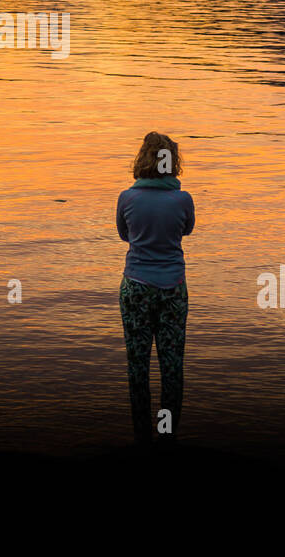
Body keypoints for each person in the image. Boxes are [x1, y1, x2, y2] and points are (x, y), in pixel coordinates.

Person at [116, 132, 195, 445]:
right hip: (173, 288)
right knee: (171, 366)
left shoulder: (127, 197)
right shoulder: (183, 199)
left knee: (138, 367)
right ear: (171, 163)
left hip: (135, 286)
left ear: (142, 160)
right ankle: (167, 435)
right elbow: (186, 229)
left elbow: (124, 236)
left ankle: (142, 438)